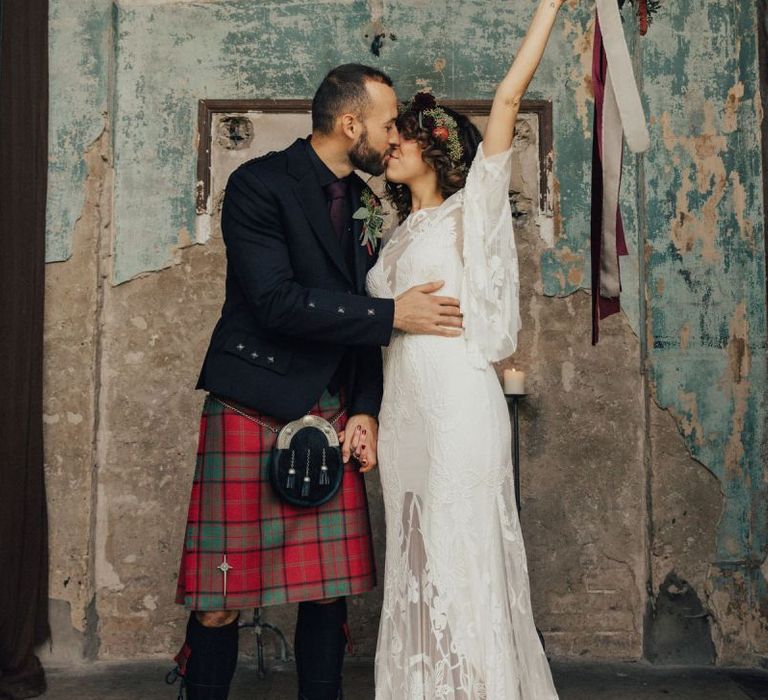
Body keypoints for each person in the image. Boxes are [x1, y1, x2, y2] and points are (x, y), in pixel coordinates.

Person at [173, 63, 463, 700]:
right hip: (251, 401)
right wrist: (393, 316)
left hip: (330, 407)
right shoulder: (258, 184)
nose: (393, 138)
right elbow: (275, 301)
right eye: (387, 125)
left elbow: (355, 307)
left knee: (327, 590)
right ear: (349, 122)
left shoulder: (363, 200)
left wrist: (365, 407)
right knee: (219, 600)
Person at [366, 1, 570, 697]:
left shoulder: (468, 209)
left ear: (440, 149)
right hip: (405, 416)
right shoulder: (394, 235)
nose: (390, 146)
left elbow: (509, 95)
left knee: (461, 559)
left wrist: (549, 7)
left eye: (404, 137)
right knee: (415, 559)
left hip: (457, 406)